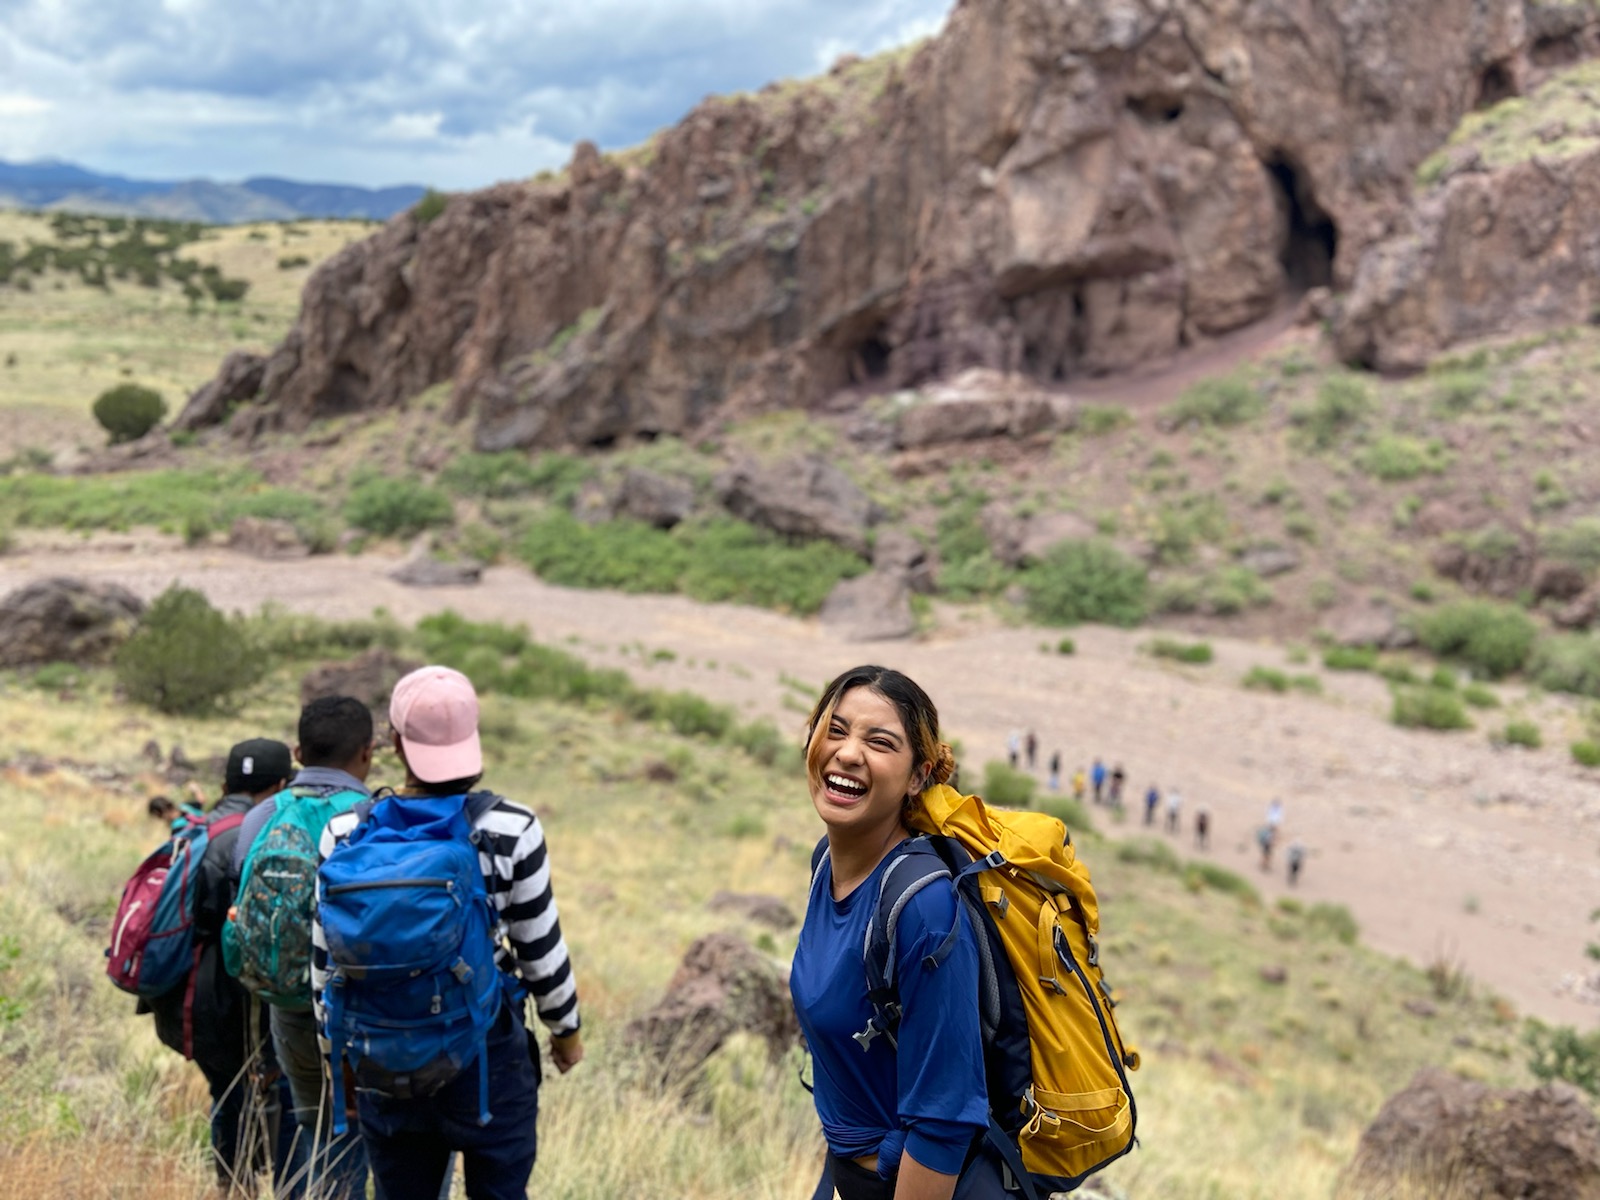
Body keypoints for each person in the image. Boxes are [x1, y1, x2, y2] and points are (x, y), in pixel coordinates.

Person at [313, 665, 583, 1200]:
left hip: (381, 1061)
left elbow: (325, 970)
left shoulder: (344, 834)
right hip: (486, 1064)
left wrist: (336, 1063)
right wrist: (566, 1033)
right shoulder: (512, 830)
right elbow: (540, 953)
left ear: (395, 743)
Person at [794, 665, 999, 1200]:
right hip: (848, 1173)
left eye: (879, 742)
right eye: (835, 729)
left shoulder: (923, 910)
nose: (848, 752)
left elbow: (943, 1125)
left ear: (918, 776)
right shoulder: (826, 864)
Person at [231, 698, 375, 1200]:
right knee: (362, 1140)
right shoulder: (372, 817)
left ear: (297, 751)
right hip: (358, 1011)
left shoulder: (262, 818)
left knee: (317, 1131)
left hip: (288, 1007)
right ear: (368, 753)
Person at [145, 737, 299, 1197]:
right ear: (279, 786)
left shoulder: (198, 830)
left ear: (225, 783)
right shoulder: (254, 836)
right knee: (262, 1091)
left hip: (188, 995)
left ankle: (232, 1186)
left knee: (227, 1093)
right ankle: (258, 1184)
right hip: (232, 996)